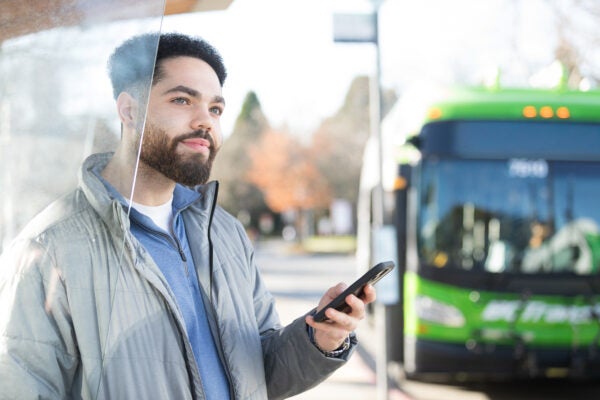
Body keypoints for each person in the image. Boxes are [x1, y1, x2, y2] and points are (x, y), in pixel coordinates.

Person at [0, 32, 376, 399]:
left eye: (215, 108)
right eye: (182, 100)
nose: (206, 121)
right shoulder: (48, 249)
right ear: (129, 110)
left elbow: (258, 373)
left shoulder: (224, 232)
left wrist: (320, 339)